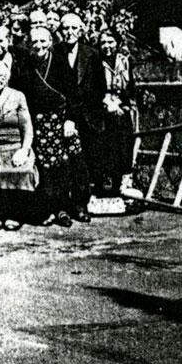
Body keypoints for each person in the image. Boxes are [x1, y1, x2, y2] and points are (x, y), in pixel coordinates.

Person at [12, 27, 85, 227]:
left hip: (61, 121)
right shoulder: (25, 65)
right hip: (38, 122)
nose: (39, 46)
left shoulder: (60, 62)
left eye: (43, 41)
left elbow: (74, 95)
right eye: (35, 42)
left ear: (50, 41)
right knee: (44, 167)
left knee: (68, 162)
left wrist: (70, 119)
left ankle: (69, 206)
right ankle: (48, 208)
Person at [0, 61, 39, 231]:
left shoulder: (18, 96)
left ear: (7, 78)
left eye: (1, 77)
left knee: (21, 170)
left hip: (16, 146)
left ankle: (15, 214)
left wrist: (24, 150)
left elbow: (27, 128)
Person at [58, 13, 104, 223]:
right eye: (65, 28)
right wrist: (68, 116)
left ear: (80, 30)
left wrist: (86, 112)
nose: (69, 32)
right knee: (64, 163)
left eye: (73, 28)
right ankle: (63, 206)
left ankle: (80, 204)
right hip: (62, 115)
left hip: (88, 116)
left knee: (84, 163)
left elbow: (100, 87)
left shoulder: (92, 54)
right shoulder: (55, 52)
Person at [91, 30, 136, 196]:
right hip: (102, 109)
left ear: (117, 43)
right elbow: (93, 89)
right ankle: (104, 189)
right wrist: (106, 103)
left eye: (110, 42)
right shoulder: (95, 62)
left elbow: (130, 89)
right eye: (103, 43)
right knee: (105, 149)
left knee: (123, 147)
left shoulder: (125, 61)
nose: (107, 46)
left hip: (121, 108)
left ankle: (121, 187)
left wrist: (123, 105)